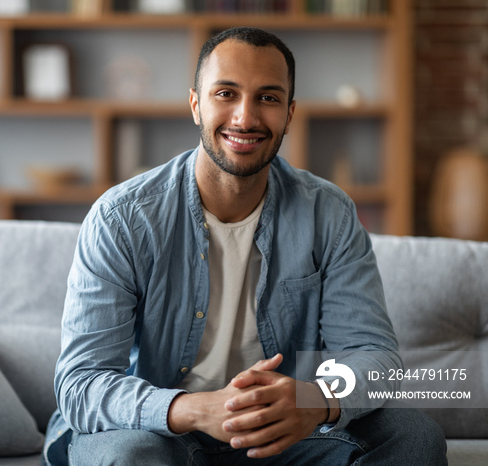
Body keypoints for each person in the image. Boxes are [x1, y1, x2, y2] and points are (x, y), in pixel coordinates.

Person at [43, 27, 447, 465]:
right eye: (226, 94)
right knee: (131, 457)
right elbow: (82, 383)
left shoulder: (328, 214)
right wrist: (196, 409)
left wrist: (317, 400)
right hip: (163, 433)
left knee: (415, 437)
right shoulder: (123, 219)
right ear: (196, 105)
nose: (246, 117)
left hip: (281, 436)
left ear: (290, 114)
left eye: (268, 98)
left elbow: (375, 357)